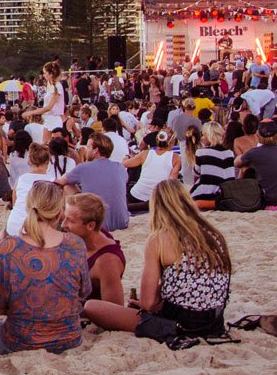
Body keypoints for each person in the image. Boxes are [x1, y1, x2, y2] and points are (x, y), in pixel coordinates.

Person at [83, 179, 231, 340]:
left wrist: (147, 305)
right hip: (215, 322)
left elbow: (148, 303)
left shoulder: (160, 239)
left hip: (178, 325)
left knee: (92, 307)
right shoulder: (214, 235)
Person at [0, 181, 89, 355]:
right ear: (60, 212)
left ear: (28, 207)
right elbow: (83, 293)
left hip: (19, 342)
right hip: (69, 339)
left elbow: (0, 305)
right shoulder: (76, 245)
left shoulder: (8, 248)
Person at [63, 192, 126, 303]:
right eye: (64, 218)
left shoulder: (107, 262)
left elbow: (115, 310)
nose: (63, 225)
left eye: (70, 220)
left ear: (91, 226)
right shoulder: (94, 234)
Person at [60, 134, 130, 231]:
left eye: (88, 147)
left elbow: (61, 182)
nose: (86, 150)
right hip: (122, 222)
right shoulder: (120, 167)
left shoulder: (83, 168)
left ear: (95, 150)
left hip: (97, 225)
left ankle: (67, 222)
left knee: (67, 187)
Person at [233, 120, 277, 206]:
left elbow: (236, 163)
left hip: (267, 198)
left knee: (245, 168)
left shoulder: (254, 152)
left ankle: (238, 195)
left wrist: (247, 155)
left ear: (258, 135)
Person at [124, 129, 180, 207]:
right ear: (172, 143)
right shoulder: (176, 158)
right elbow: (172, 183)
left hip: (137, 195)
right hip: (160, 199)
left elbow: (125, 164)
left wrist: (126, 157)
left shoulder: (145, 153)